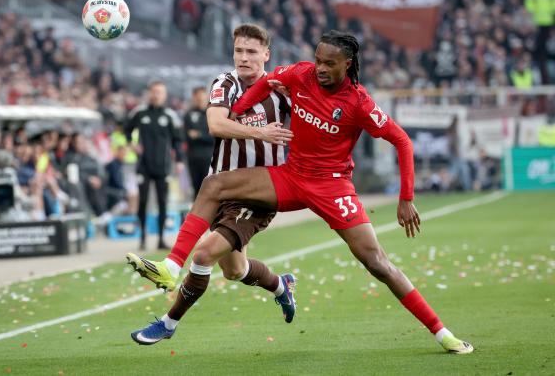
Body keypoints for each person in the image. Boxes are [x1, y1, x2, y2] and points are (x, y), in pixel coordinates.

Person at [129, 31, 473, 354]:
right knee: (213, 186)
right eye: (318, 60)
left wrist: (406, 197)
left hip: (332, 185)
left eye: (329, 63)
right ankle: (173, 266)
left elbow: (402, 140)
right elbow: (267, 81)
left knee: (377, 263)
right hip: (291, 177)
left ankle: (442, 333)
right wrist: (243, 108)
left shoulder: (359, 103)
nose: (320, 68)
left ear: (347, 64)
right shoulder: (301, 73)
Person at [127, 24, 296, 345]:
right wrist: (262, 133)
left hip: (259, 193)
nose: (243, 58)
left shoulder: (280, 88)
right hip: (224, 190)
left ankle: (168, 323)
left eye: (251, 52)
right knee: (235, 270)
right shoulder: (226, 83)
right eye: (238, 51)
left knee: (203, 255)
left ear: (266, 55)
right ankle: (280, 285)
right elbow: (216, 124)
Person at [125, 81, 185, 250]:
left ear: (164, 95)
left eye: (160, 92)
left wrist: (179, 160)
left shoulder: (169, 116)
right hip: (143, 166)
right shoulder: (139, 112)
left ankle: (160, 238)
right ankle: (142, 238)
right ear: (149, 93)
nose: (156, 95)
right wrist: (131, 143)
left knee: (162, 202)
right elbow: (126, 128)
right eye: (154, 92)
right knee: (142, 201)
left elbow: (178, 140)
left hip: (163, 166)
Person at [183, 86, 214, 198]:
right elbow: (186, 135)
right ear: (193, 97)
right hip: (193, 157)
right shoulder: (188, 114)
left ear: (206, 96)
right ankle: (197, 215)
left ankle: (212, 215)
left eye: (202, 95)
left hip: (209, 157)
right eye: (197, 96)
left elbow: (215, 136)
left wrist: (199, 135)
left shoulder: (212, 113)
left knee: (210, 188)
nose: (200, 98)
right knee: (196, 189)